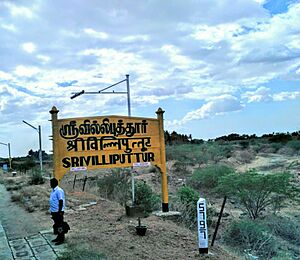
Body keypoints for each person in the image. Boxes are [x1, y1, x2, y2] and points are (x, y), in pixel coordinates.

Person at [49, 178, 66, 245]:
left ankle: (61, 239)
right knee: (57, 225)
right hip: (54, 211)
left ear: (54, 183)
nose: (50, 184)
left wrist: (60, 211)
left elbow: (61, 201)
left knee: (60, 226)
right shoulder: (53, 191)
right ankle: (58, 237)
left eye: (51, 183)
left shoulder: (59, 190)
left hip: (58, 212)